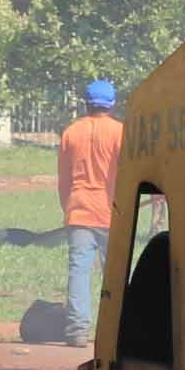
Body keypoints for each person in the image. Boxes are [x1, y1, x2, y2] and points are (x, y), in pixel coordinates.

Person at [56, 80, 122, 348]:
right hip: (112, 212)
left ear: (86, 102)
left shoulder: (71, 133)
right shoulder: (121, 132)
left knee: (79, 272)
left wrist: (68, 207)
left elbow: (63, 179)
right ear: (113, 103)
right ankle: (116, 332)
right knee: (114, 274)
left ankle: (76, 332)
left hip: (79, 210)